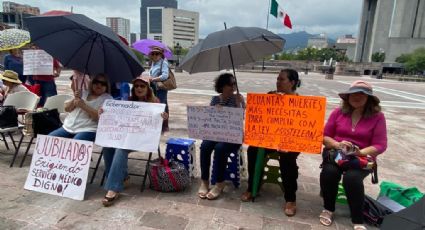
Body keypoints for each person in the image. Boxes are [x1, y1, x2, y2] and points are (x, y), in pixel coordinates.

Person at [318, 80, 387, 230]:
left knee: (352, 178)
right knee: (329, 173)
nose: (357, 97)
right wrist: (337, 144)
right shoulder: (338, 112)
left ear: (369, 98)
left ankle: (357, 218)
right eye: (353, 94)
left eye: (362, 94)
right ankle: (328, 208)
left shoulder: (378, 117)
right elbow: (325, 136)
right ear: (347, 97)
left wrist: (360, 152)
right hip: (336, 154)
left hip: (361, 159)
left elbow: (380, 145)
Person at [240, 69, 301, 217]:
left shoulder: (301, 102)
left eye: (282, 79)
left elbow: (301, 127)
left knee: (288, 158)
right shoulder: (270, 95)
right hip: (269, 138)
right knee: (253, 150)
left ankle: (290, 199)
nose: (278, 82)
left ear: (292, 83)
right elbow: (257, 114)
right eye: (277, 79)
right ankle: (252, 187)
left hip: (289, 140)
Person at [101, 75, 168, 207]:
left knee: (121, 149)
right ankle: (123, 178)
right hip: (127, 135)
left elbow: (161, 128)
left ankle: (113, 188)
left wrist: (163, 118)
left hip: (144, 138)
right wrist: (104, 112)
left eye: (142, 86)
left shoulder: (155, 102)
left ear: (148, 88)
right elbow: (116, 116)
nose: (139, 88)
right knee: (108, 146)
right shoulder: (128, 100)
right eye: (136, 86)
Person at [198, 73, 245, 200]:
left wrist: (239, 105)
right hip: (216, 134)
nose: (233, 87)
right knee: (205, 146)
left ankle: (219, 183)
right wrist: (214, 110)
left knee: (220, 148)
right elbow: (209, 119)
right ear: (223, 86)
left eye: (234, 84)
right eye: (231, 84)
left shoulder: (238, 99)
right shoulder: (215, 99)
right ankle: (204, 181)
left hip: (233, 136)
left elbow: (242, 118)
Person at [48, 74, 112, 141]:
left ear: (107, 86)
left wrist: (84, 106)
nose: (99, 85)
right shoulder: (83, 93)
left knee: (75, 145)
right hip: (68, 126)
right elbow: (67, 108)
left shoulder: (107, 99)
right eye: (96, 82)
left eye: (103, 83)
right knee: (49, 139)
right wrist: (75, 99)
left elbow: (100, 118)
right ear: (92, 82)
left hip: (88, 129)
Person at [148, 46, 170, 132]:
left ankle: (161, 126)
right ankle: (164, 125)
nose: (155, 55)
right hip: (154, 87)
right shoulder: (153, 63)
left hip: (161, 87)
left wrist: (153, 79)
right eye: (152, 53)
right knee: (163, 105)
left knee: (160, 105)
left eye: (157, 53)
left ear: (161, 55)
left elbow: (165, 76)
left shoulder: (163, 63)